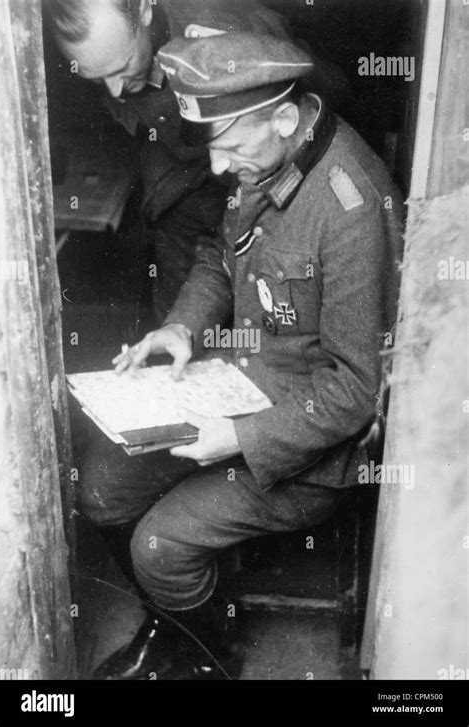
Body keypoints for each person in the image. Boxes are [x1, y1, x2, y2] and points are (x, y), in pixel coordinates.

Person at [79, 31, 404, 680]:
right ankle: (171, 620)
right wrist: (181, 328)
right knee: (100, 491)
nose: (220, 168)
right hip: (232, 381)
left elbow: (353, 391)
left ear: (286, 118)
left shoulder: (350, 208)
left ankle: (202, 657)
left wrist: (237, 436)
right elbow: (218, 259)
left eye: (230, 148)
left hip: (304, 447)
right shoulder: (267, 155)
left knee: (158, 545)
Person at [45, 0, 346, 321]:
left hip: (264, 188)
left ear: (145, 8)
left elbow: (331, 97)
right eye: (97, 80)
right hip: (182, 194)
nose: (114, 89)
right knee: (181, 320)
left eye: (123, 67)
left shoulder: (225, 22)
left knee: (272, 314)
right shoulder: (104, 54)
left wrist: (247, 52)